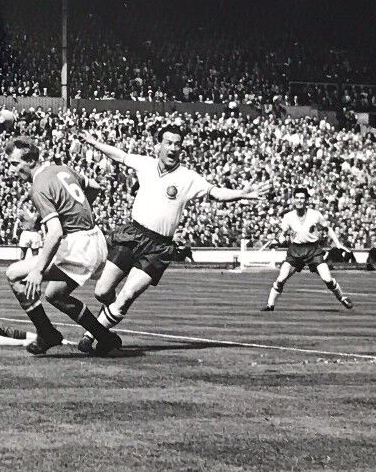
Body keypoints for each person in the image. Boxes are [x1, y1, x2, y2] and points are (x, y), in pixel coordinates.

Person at [78, 123, 263, 351]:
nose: (173, 148)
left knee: (126, 296)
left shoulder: (188, 177)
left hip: (159, 247)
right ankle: (107, 332)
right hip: (132, 235)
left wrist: (241, 194)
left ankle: (90, 335)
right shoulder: (145, 164)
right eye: (169, 143)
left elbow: (215, 193)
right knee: (102, 291)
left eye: (177, 144)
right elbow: (121, 156)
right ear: (159, 146)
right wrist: (96, 144)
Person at [3, 136, 116, 356]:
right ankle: (105, 337)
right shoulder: (61, 168)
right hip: (94, 239)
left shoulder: (39, 186)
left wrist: (37, 271)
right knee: (55, 295)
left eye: (15, 164)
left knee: (14, 275)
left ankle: (47, 333)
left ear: (31, 161)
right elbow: (94, 187)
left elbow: (55, 234)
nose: (12, 170)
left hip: (77, 246)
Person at [266, 186, 354, 311]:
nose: (299, 200)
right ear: (293, 200)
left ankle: (342, 298)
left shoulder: (315, 214)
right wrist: (280, 239)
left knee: (327, 279)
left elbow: (327, 228)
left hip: (313, 250)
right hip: (295, 250)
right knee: (281, 279)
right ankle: (270, 305)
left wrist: (337, 243)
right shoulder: (288, 217)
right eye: (297, 198)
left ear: (306, 200)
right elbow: (283, 233)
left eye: (302, 198)